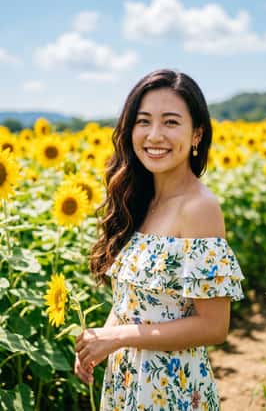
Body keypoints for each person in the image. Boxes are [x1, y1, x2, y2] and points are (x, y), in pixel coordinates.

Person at [75, 69, 245, 410]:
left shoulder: (199, 208)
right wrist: (99, 340)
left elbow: (213, 326)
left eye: (170, 122)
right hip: (127, 383)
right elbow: (130, 303)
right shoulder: (139, 201)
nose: (154, 135)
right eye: (143, 121)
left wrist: (118, 337)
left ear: (196, 134)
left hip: (171, 388)